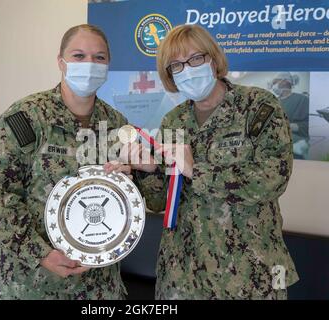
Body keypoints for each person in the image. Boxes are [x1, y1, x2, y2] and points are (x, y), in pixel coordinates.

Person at [120, 25, 299, 300]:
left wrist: (196, 169)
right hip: (182, 275)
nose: (187, 69)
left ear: (213, 59)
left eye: (195, 59)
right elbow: (159, 202)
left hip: (248, 274)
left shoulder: (258, 106)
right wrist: (147, 171)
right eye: (176, 65)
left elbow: (273, 180)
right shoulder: (173, 120)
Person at [0, 24, 129, 300]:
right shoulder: (27, 117)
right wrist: (42, 253)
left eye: (99, 57)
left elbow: (131, 199)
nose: (90, 64)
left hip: (98, 288)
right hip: (29, 284)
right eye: (79, 56)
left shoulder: (117, 124)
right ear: (61, 62)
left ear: (108, 65)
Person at [269, 72, 310, 159]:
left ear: (284, 82)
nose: (273, 86)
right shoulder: (274, 102)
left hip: (296, 147)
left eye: (275, 82)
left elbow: (310, 126)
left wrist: (292, 126)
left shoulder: (302, 99)